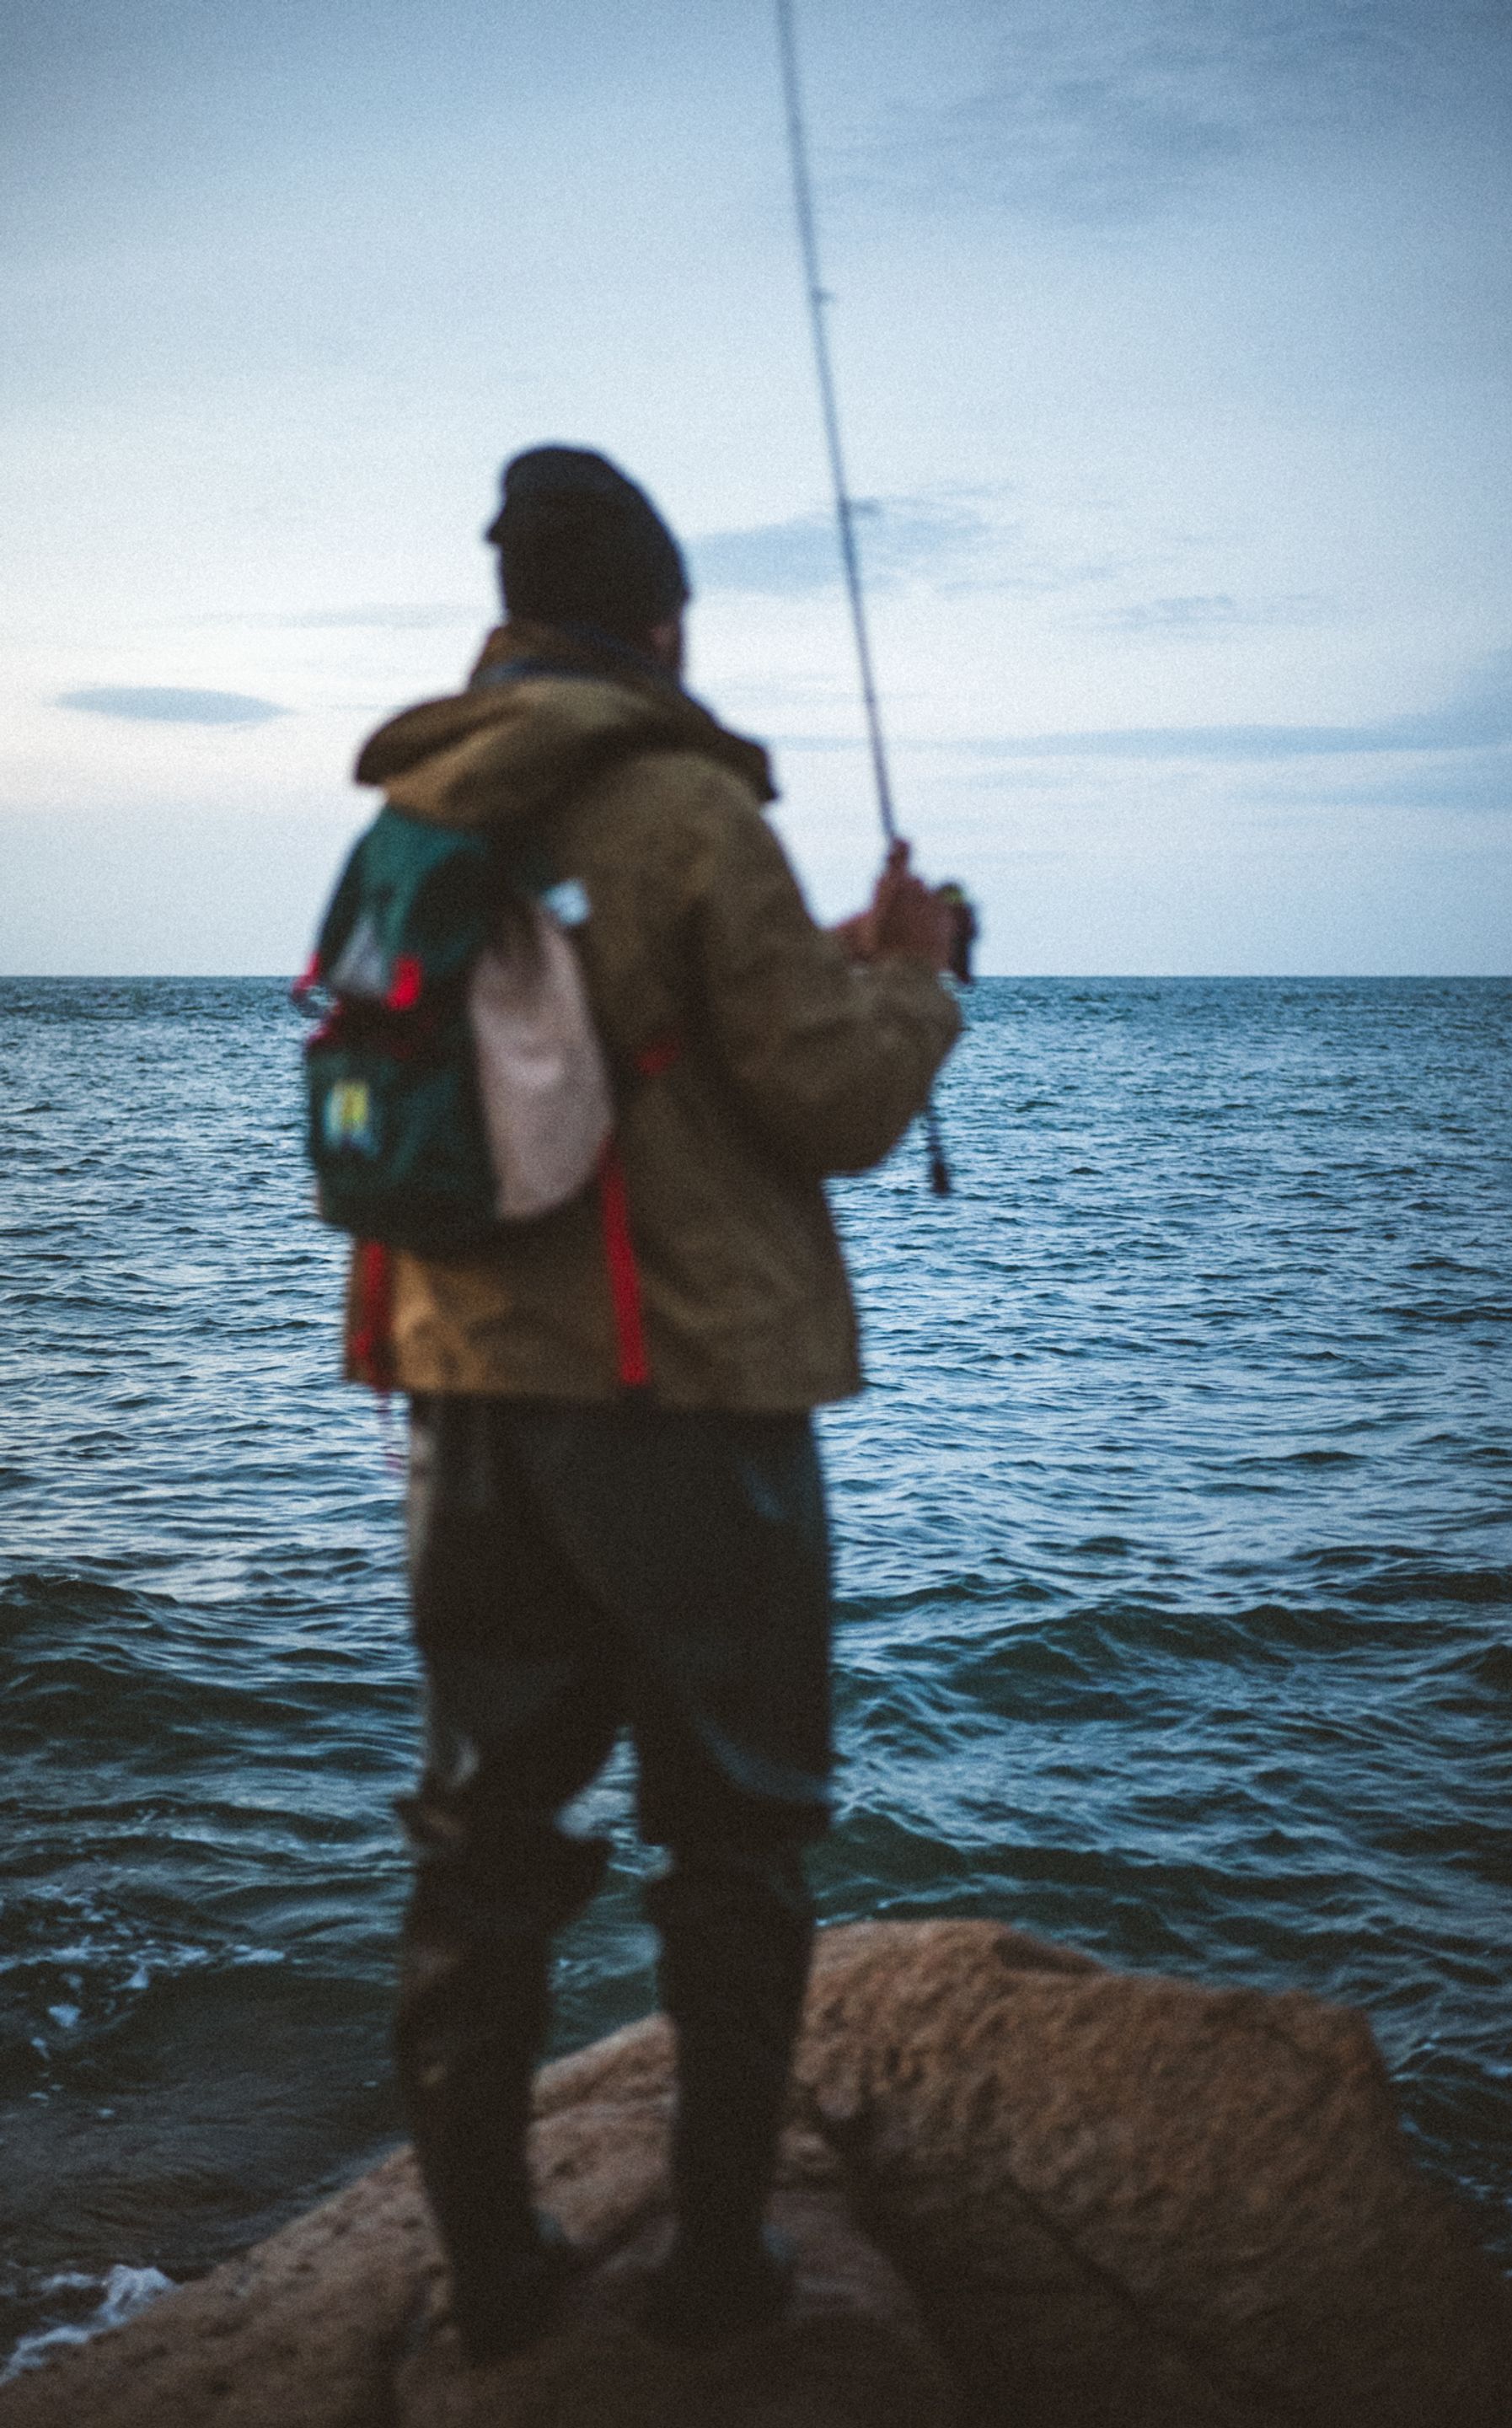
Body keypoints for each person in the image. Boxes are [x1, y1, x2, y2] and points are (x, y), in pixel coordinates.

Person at [346, 445, 960, 2364]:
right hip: (685, 1406)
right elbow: (834, 1101)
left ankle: (490, 2269)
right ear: (665, 624)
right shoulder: (690, 803)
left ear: (512, 622)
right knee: (738, 1839)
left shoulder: (414, 814)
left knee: (477, 1843)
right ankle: (714, 2271)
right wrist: (921, 982)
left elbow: (633, 1029)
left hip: (460, 1410)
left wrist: (825, 970)